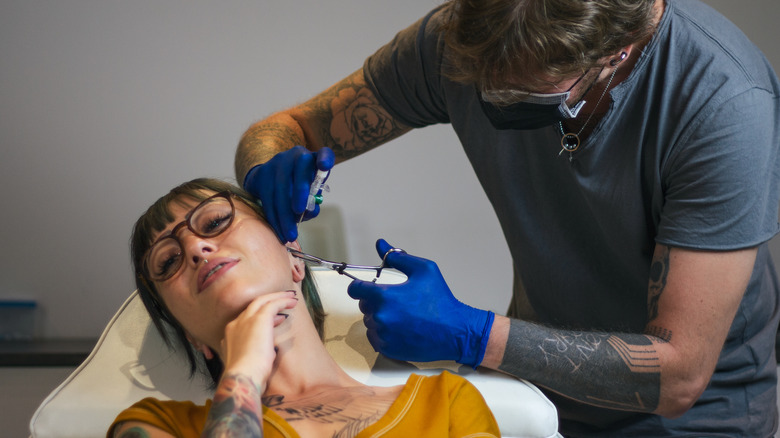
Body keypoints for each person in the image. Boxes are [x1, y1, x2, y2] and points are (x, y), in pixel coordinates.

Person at [234, 0, 780, 436]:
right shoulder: (459, 40)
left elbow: (679, 374)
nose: (489, 99)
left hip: (690, 416)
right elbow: (290, 128)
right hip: (534, 390)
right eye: (479, 84)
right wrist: (268, 162)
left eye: (519, 98)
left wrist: (472, 335)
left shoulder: (725, 104)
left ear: (613, 53)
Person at [107, 178, 500, 438]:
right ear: (189, 334)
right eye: (168, 262)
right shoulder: (154, 426)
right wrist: (243, 372)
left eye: (215, 222)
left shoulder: (446, 401)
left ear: (293, 254)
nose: (195, 248)